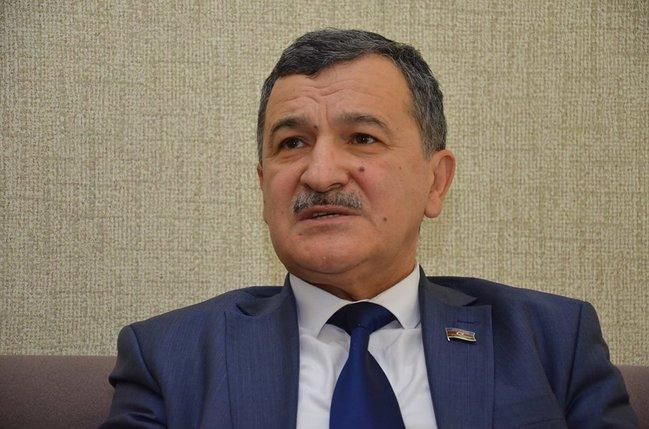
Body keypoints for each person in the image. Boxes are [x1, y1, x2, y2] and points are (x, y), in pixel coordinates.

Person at [101, 29, 637, 428]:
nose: (320, 173)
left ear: (435, 182)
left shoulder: (551, 341)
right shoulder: (169, 357)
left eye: (362, 138)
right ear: (263, 186)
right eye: (292, 143)